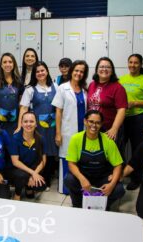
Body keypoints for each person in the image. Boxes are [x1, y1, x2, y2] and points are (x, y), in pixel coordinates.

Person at [64, 110, 125, 210]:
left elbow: (118, 165)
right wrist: (82, 179)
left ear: (101, 124)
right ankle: (78, 204)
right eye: (91, 121)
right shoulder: (76, 139)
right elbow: (71, 163)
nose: (94, 125)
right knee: (69, 180)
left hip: (102, 178)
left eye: (97, 123)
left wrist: (111, 185)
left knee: (119, 190)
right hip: (84, 176)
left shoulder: (108, 140)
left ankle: (103, 205)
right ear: (85, 121)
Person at [18, 61, 58, 188]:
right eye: (38, 71)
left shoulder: (56, 87)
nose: (40, 73)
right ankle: (38, 178)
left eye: (43, 70)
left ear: (47, 71)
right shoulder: (30, 89)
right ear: (34, 74)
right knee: (40, 152)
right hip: (38, 127)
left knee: (51, 152)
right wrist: (20, 126)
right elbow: (23, 108)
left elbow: (60, 108)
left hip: (52, 126)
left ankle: (47, 177)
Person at [119, 54, 143, 190]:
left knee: (137, 149)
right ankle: (120, 175)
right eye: (130, 62)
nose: (132, 65)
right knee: (119, 148)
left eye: (136, 63)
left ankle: (136, 178)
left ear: (140, 64)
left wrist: (135, 103)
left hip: (138, 118)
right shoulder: (121, 79)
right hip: (122, 117)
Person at [52, 60, 89, 193]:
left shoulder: (85, 90)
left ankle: (78, 186)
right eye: (76, 70)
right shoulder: (63, 88)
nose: (78, 73)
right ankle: (65, 188)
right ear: (72, 71)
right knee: (66, 158)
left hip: (83, 131)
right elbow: (58, 111)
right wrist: (58, 133)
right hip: (67, 131)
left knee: (79, 159)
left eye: (81, 71)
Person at [87, 57, 127, 145]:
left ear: (112, 71)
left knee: (112, 157)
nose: (104, 69)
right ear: (97, 69)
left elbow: (122, 110)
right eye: (101, 67)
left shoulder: (118, 88)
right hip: (93, 128)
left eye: (108, 67)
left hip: (109, 130)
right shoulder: (92, 85)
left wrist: (114, 128)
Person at [8, 111, 47, 200]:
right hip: (17, 169)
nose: (28, 124)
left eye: (31, 121)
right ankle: (17, 194)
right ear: (21, 124)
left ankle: (28, 187)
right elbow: (15, 162)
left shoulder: (41, 139)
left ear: (36, 124)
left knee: (41, 186)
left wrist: (35, 174)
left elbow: (43, 160)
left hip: (32, 168)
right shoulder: (15, 138)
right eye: (25, 122)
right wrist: (32, 174)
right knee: (22, 176)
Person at [0, 53, 23, 136]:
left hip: (15, 122)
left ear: (14, 64)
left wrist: (20, 123)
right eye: (5, 62)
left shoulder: (19, 80)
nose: (7, 64)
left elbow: (21, 104)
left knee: (12, 146)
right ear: (1, 65)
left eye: (10, 62)